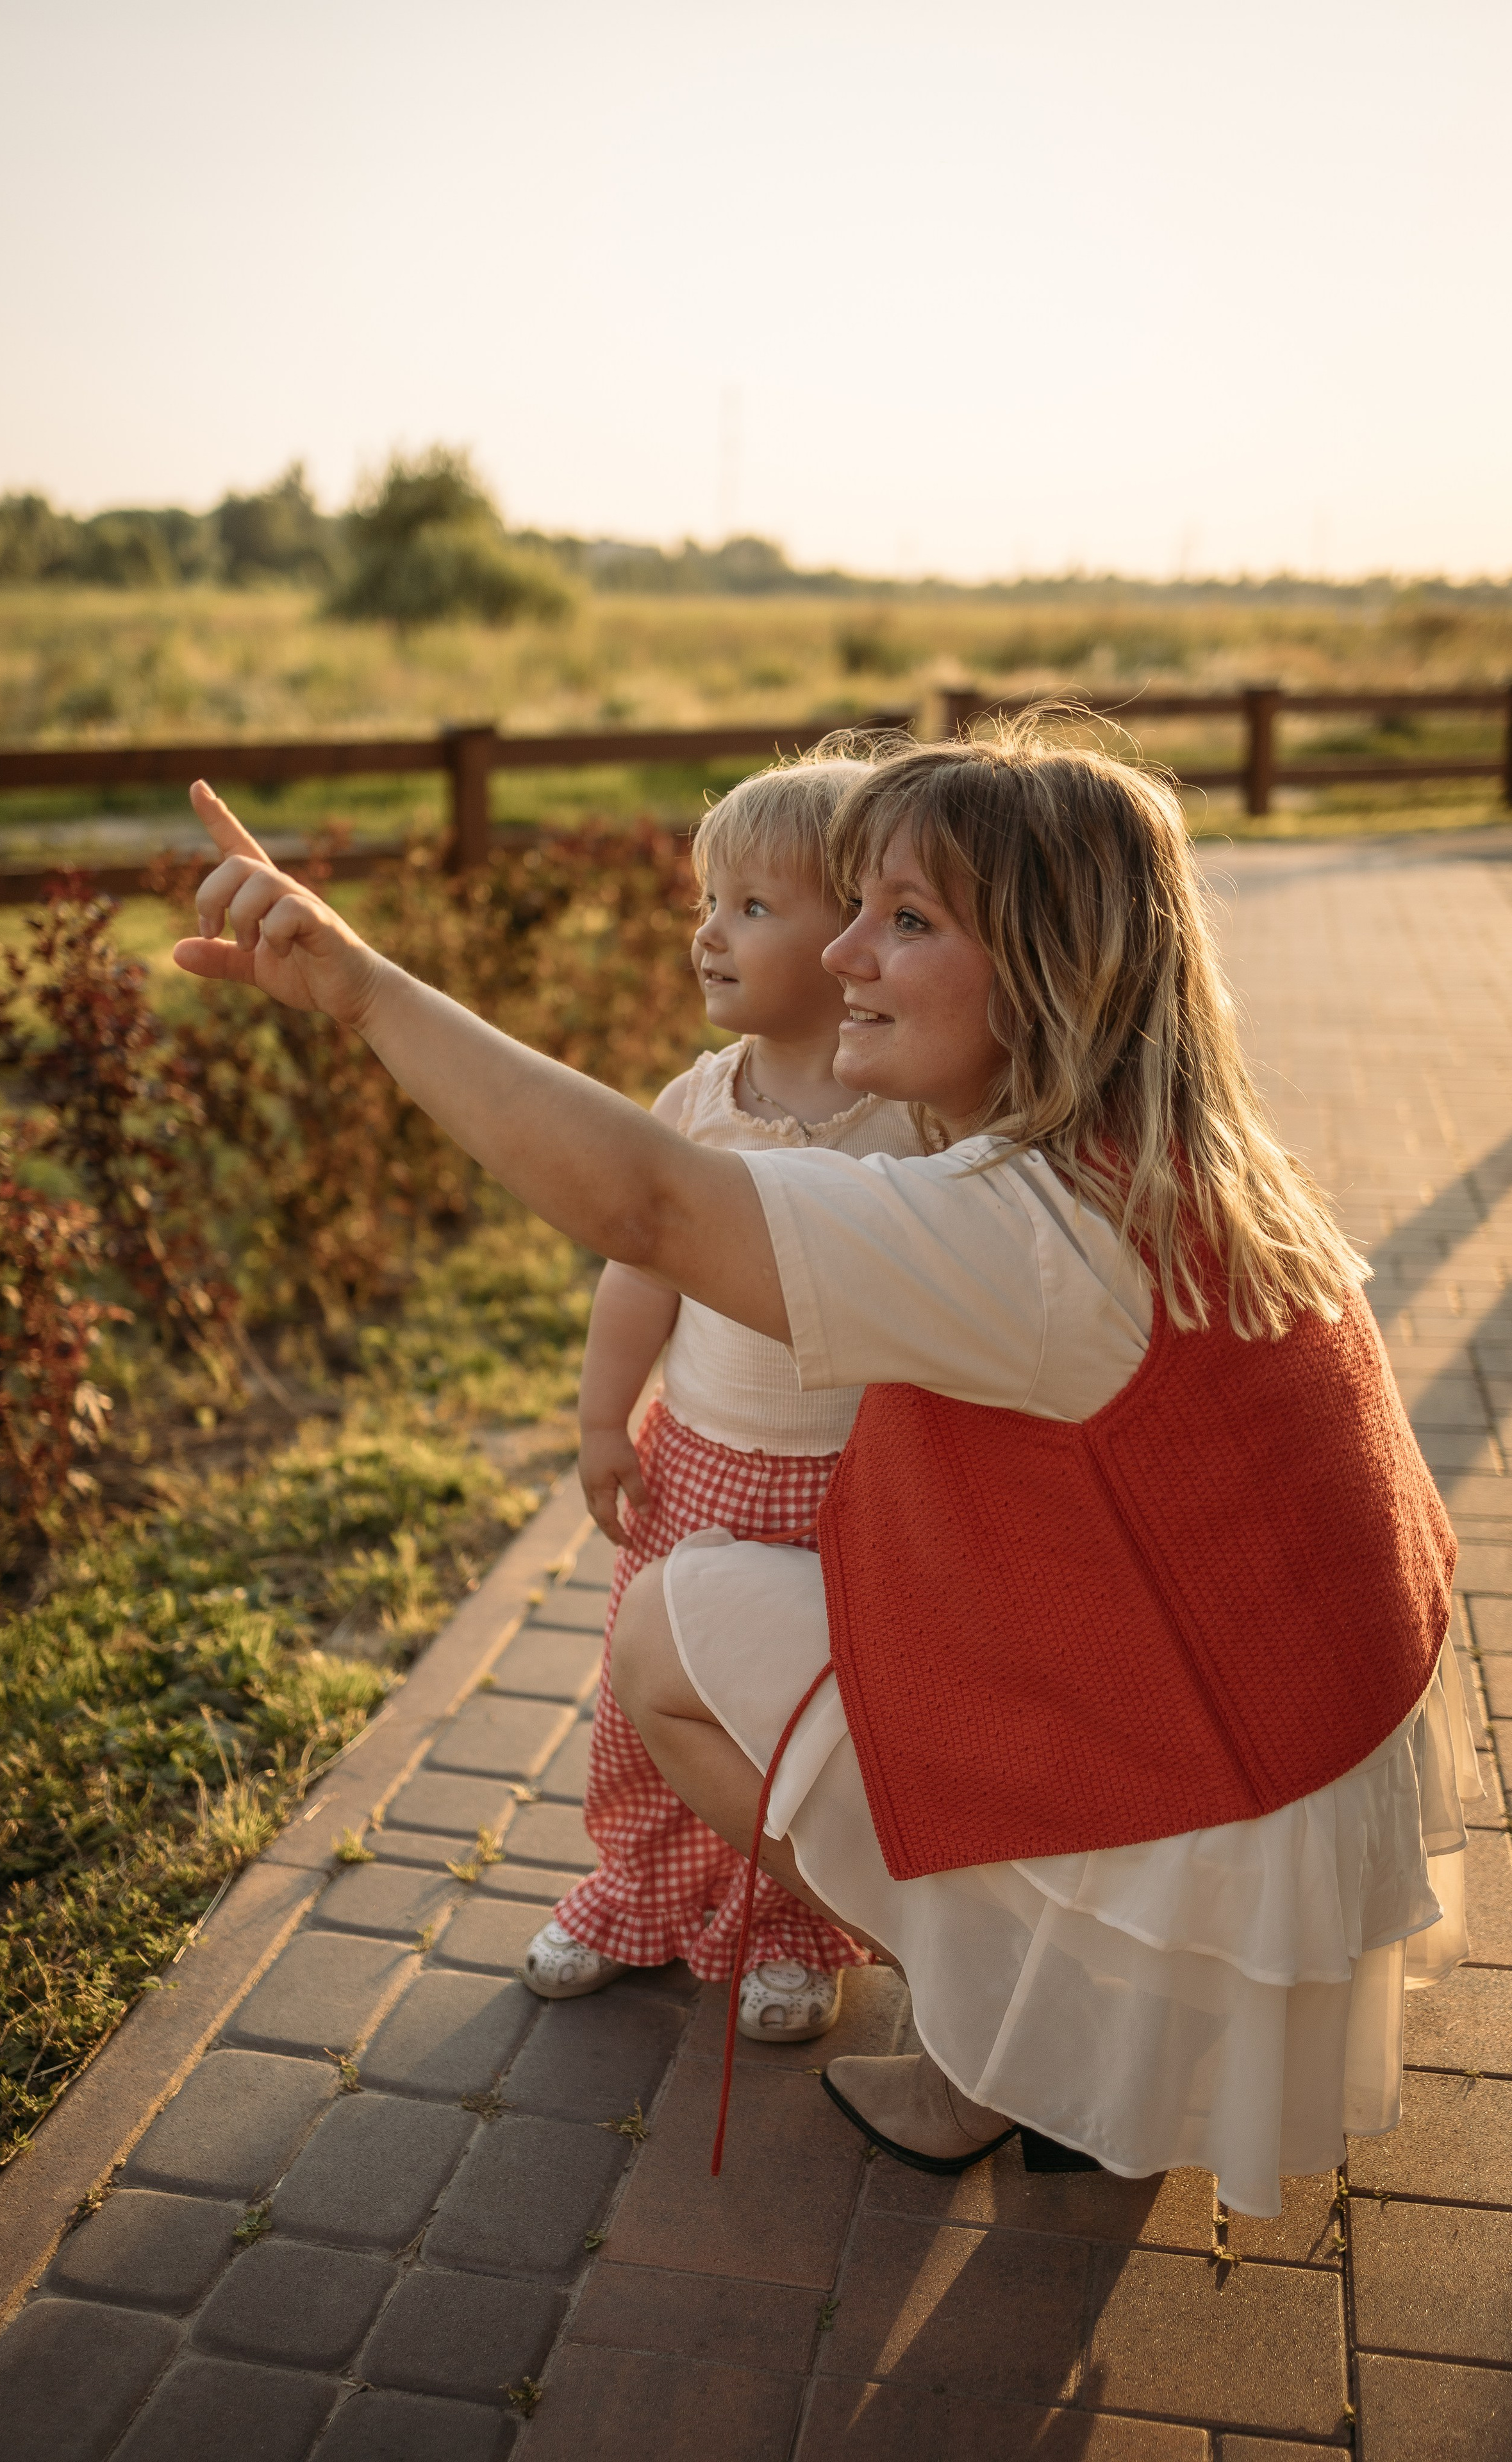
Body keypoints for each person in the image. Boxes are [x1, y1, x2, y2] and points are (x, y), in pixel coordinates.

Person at [172, 724, 1469, 2222]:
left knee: (665, 1630)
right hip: (1299, 1756)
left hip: (1206, 1814)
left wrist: (364, 986)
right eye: (850, 906)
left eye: (906, 920)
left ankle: (1018, 2026)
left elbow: (652, 1205)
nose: (845, 952)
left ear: (1053, 967)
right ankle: (1064, 2020)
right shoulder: (1179, 1150)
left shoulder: (1027, 1230)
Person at [524, 757, 929, 2042]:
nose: (707, 929)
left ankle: (793, 1923)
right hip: (701, 1460)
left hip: (848, 1483)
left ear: (854, 937)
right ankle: (635, 1890)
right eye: (708, 898)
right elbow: (638, 1271)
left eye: (752, 905)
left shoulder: (912, 1119)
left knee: (800, 1717)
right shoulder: (697, 1106)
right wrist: (601, 1421)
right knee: (651, 1700)